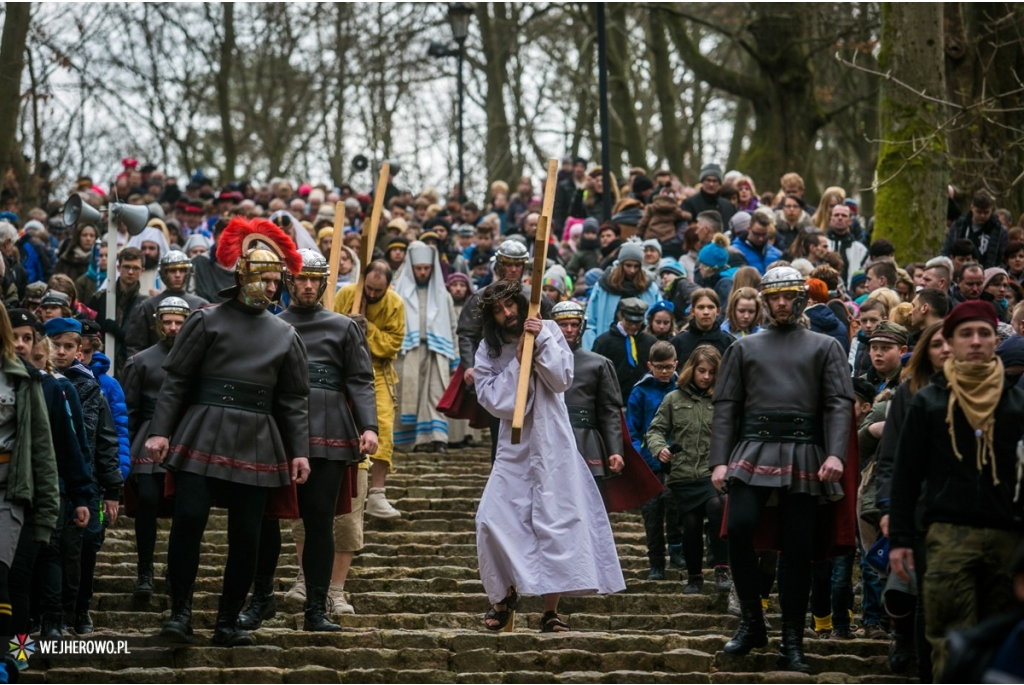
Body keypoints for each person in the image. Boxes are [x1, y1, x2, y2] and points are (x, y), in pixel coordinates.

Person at [145, 217, 311, 647]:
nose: (274, 288)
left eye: (278, 281)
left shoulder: (286, 334)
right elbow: (177, 381)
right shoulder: (205, 320)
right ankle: (179, 615)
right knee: (189, 521)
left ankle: (226, 622)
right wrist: (161, 432)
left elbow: (293, 399)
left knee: (247, 535)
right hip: (202, 426)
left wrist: (300, 452)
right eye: (266, 278)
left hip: (259, 437)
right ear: (244, 275)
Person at [711, 266, 854, 673]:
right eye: (774, 297)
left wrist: (836, 455)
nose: (780, 304)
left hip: (806, 451)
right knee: (738, 528)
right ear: (764, 302)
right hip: (751, 447)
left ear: (800, 299)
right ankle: (752, 623)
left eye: (788, 296)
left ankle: (792, 641)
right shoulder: (743, 348)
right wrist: (719, 460)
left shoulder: (826, 346)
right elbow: (726, 407)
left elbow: (838, 404)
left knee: (798, 548)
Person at [473, 280, 625, 633]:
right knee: (489, 520)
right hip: (514, 448)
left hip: (554, 443)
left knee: (556, 523)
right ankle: (503, 597)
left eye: (511, 305)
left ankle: (550, 611)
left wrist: (539, 339)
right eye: (498, 310)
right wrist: (520, 360)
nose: (508, 313)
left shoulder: (551, 330)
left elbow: (561, 380)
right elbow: (496, 401)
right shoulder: (489, 350)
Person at [240, 249, 378, 633]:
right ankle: (261, 596)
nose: (307, 285)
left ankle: (317, 607)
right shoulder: (269, 324)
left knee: (319, 520)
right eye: (300, 278)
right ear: (288, 281)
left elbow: (361, 380)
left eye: (314, 279)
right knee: (263, 518)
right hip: (278, 428)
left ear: (323, 283)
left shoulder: (343, 327)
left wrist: (369, 427)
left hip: (330, 425)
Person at [889, 301, 1024, 680]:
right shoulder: (929, 402)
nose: (976, 341)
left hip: (1008, 536)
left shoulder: (1016, 403)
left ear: (996, 340)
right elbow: (906, 474)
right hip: (947, 533)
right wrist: (900, 538)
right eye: (966, 334)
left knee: (1002, 637)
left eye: (984, 333)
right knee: (948, 638)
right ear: (950, 341)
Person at [121, 297, 190, 601]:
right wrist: (122, 455)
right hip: (146, 439)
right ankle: (144, 570)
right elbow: (130, 411)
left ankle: (176, 571)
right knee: (147, 501)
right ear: (158, 323)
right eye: (168, 322)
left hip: (186, 438)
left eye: (179, 322)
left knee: (186, 510)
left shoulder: (198, 360)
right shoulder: (141, 361)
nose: (173, 328)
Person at [0, 306, 59, 648]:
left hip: (11, 493)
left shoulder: (24, 378)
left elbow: (45, 447)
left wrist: (52, 509)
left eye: (28, 338)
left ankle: (13, 656)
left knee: (10, 579)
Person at [647, 346, 728, 594]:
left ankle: (722, 568)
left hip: (711, 471)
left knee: (717, 507)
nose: (706, 377)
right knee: (691, 523)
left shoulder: (723, 400)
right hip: (682, 474)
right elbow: (655, 431)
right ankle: (694, 576)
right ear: (691, 369)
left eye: (712, 372)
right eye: (702, 371)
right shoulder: (673, 399)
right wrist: (660, 449)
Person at [334, 260, 405, 520]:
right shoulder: (345, 295)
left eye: (379, 291)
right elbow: (328, 329)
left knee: (382, 427)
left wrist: (366, 328)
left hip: (378, 371)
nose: (373, 295)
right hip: (342, 369)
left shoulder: (395, 303)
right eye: (369, 290)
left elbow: (392, 345)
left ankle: (377, 493)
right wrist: (347, 325)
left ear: (388, 286)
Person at [392, 241, 457, 454]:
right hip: (407, 352)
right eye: (418, 268)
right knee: (408, 395)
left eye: (426, 268)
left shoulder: (443, 295)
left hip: (436, 352)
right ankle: (409, 442)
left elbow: (453, 326)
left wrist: (455, 358)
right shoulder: (397, 293)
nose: (422, 272)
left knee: (436, 395)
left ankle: (438, 439)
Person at [551, 301, 625, 487]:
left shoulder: (599, 363)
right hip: (550, 438)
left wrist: (615, 450)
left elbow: (609, 410)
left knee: (592, 502)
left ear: (581, 327)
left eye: (574, 325)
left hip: (587, 441)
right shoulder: (537, 362)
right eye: (563, 324)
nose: (569, 330)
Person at [124, 250, 210, 356]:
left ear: (187, 272)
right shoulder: (147, 306)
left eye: (182, 270)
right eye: (173, 271)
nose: (178, 275)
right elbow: (135, 347)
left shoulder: (201, 305)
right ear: (164, 273)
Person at [583, 241, 660, 350]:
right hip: (607, 345)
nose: (632, 270)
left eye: (636, 266)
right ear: (620, 264)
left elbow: (656, 316)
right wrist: (591, 350)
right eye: (628, 265)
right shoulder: (604, 286)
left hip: (641, 345)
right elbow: (590, 322)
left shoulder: (649, 287)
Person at [89, 246, 145, 377]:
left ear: (142, 271)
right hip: (100, 364)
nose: (130, 272)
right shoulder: (100, 298)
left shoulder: (144, 304)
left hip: (131, 367)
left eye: (135, 268)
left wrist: (119, 332)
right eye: (126, 267)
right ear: (119, 268)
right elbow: (86, 330)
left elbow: (144, 342)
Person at [592, 297, 658, 405]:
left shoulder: (650, 342)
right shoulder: (604, 342)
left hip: (644, 401)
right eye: (629, 322)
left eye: (637, 323)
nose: (633, 326)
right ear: (620, 316)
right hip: (613, 401)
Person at [943, 190, 1008, 269]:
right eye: (979, 212)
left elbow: (1002, 258)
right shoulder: (959, 225)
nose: (982, 216)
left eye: (986, 212)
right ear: (972, 207)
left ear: (991, 210)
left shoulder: (999, 230)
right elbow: (947, 250)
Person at [669, 288, 734, 367]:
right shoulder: (678, 343)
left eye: (710, 307)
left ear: (718, 311)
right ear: (692, 311)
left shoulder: (729, 343)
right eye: (701, 307)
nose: (706, 312)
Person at [826, 204, 868, 287]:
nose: (840, 218)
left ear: (850, 221)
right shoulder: (822, 245)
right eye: (836, 215)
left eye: (844, 215)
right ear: (831, 219)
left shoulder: (860, 250)